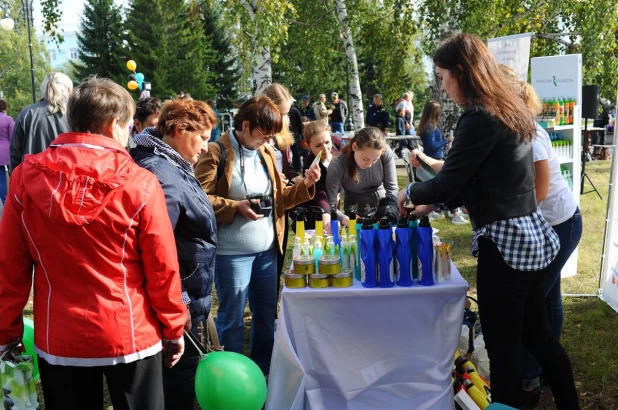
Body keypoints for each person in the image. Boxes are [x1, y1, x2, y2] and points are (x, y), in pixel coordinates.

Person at [397, 33, 580, 409]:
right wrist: (433, 204)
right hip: (530, 238)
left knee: (503, 350)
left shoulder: (479, 117)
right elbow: (481, 180)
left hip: (505, 247)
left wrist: (408, 194)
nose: (443, 86)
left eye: (444, 76)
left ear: (462, 73)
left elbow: (451, 180)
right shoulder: (508, 108)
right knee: (539, 337)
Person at [0, 76, 187, 410]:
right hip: (128, 331)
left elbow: (10, 267)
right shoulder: (140, 183)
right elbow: (162, 266)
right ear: (114, 125)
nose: (130, 135)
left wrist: (7, 330)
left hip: (60, 335)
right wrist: (173, 326)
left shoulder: (24, 179)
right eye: (130, 126)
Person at [194, 95, 320, 375]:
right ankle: (232, 378)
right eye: (265, 135)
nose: (269, 141)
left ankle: (264, 373)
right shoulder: (216, 151)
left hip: (266, 252)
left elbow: (279, 199)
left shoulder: (265, 153)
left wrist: (306, 185)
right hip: (231, 255)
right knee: (233, 320)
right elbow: (198, 198)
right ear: (246, 125)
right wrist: (235, 207)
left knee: (265, 317)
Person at [132, 99, 218, 410]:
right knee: (178, 389)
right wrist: (177, 309)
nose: (207, 148)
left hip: (185, 297)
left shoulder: (173, 163)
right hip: (176, 303)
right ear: (179, 130)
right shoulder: (160, 173)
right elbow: (155, 252)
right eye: (204, 138)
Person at [517, 80, 583, 407]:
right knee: (548, 297)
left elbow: (540, 192)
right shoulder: (522, 130)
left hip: (562, 224)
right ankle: (543, 367)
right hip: (557, 222)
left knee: (532, 305)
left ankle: (530, 375)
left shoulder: (529, 135)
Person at [325, 127, 398, 216]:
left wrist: (388, 210)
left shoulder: (386, 152)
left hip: (382, 211)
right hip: (352, 215)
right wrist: (344, 219)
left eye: (375, 160)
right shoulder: (338, 163)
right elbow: (330, 205)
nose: (369, 164)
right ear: (354, 147)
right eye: (365, 159)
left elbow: (392, 189)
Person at [9, 72, 73, 172]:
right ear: (69, 90)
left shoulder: (26, 114)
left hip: (32, 179)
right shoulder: (76, 112)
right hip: (68, 181)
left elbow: (15, 154)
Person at [296, 120, 346, 231]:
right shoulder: (310, 165)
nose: (325, 148)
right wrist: (326, 212)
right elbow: (319, 192)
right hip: (320, 205)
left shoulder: (337, 144)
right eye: (318, 145)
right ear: (308, 146)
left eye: (327, 142)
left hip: (334, 200)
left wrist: (338, 191)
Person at [0, 99, 14, 204]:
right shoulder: (8, 119)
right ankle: (6, 200)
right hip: (5, 152)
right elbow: (13, 136)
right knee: (9, 175)